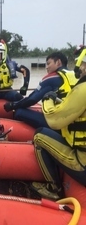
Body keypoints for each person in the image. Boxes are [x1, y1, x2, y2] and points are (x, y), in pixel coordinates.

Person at [30, 48, 86, 200]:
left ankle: (53, 188)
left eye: (82, 64)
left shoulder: (83, 90)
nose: (80, 67)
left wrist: (48, 100)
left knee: (39, 135)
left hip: (82, 163)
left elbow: (54, 121)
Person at [4, 52, 78, 128]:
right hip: (74, 121)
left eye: (49, 63)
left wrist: (13, 105)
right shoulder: (76, 76)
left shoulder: (51, 78)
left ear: (58, 62)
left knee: (19, 112)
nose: (46, 67)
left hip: (58, 123)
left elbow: (32, 99)